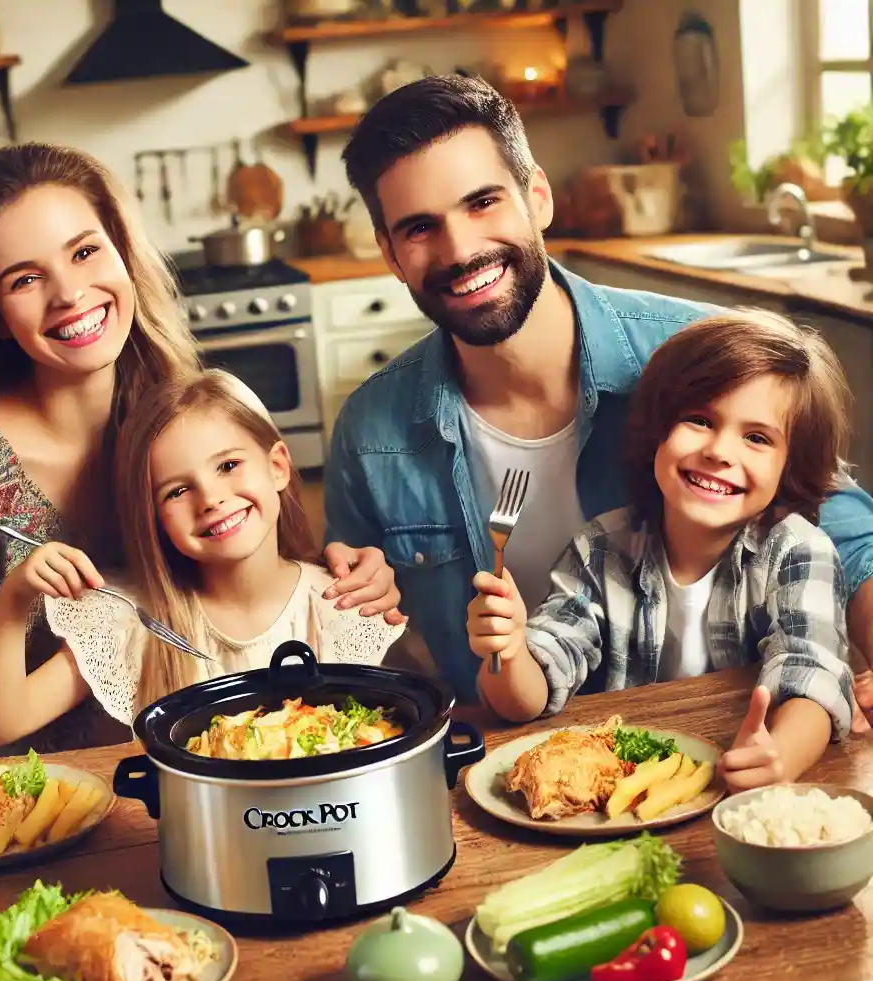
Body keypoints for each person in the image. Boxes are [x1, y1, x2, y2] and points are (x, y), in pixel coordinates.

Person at [325, 72, 873, 707]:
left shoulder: (692, 359)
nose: (461, 249)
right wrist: (351, 600)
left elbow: (852, 539)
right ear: (390, 254)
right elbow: (355, 635)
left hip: (728, 740)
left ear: (538, 198)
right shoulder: (370, 432)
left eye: (483, 202)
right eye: (420, 228)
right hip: (501, 749)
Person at [0, 144, 399, 775]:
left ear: (122, 256)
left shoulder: (175, 423)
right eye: (25, 280)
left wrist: (349, 575)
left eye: (85, 252)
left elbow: (258, 571)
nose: (70, 293)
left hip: (141, 797)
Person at [467, 311, 853, 790]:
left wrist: (782, 757)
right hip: (618, 790)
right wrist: (506, 650)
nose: (720, 451)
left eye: (756, 438)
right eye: (699, 420)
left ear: (790, 466)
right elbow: (525, 698)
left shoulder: (798, 552)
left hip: (739, 791)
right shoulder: (599, 548)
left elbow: (812, 675)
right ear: (657, 432)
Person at [0, 370, 407, 740]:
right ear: (154, 517)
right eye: (177, 491)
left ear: (277, 466)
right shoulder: (134, 622)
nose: (211, 498)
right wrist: (15, 598)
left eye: (228, 466)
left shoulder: (345, 605)